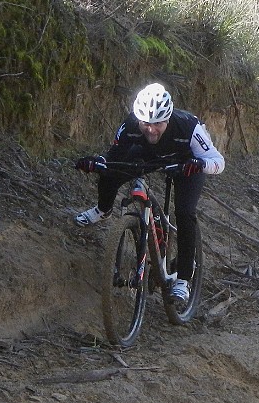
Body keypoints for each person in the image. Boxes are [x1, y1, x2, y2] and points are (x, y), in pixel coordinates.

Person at [73, 83, 225, 303]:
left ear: (168, 119)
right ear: (138, 118)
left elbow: (218, 162)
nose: (151, 129)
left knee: (184, 212)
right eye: (145, 123)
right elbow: (113, 156)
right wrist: (96, 163)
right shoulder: (130, 125)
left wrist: (199, 164)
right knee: (109, 172)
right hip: (150, 157)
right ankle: (103, 209)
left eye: (158, 124)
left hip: (186, 165)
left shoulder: (189, 127)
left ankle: (183, 280)